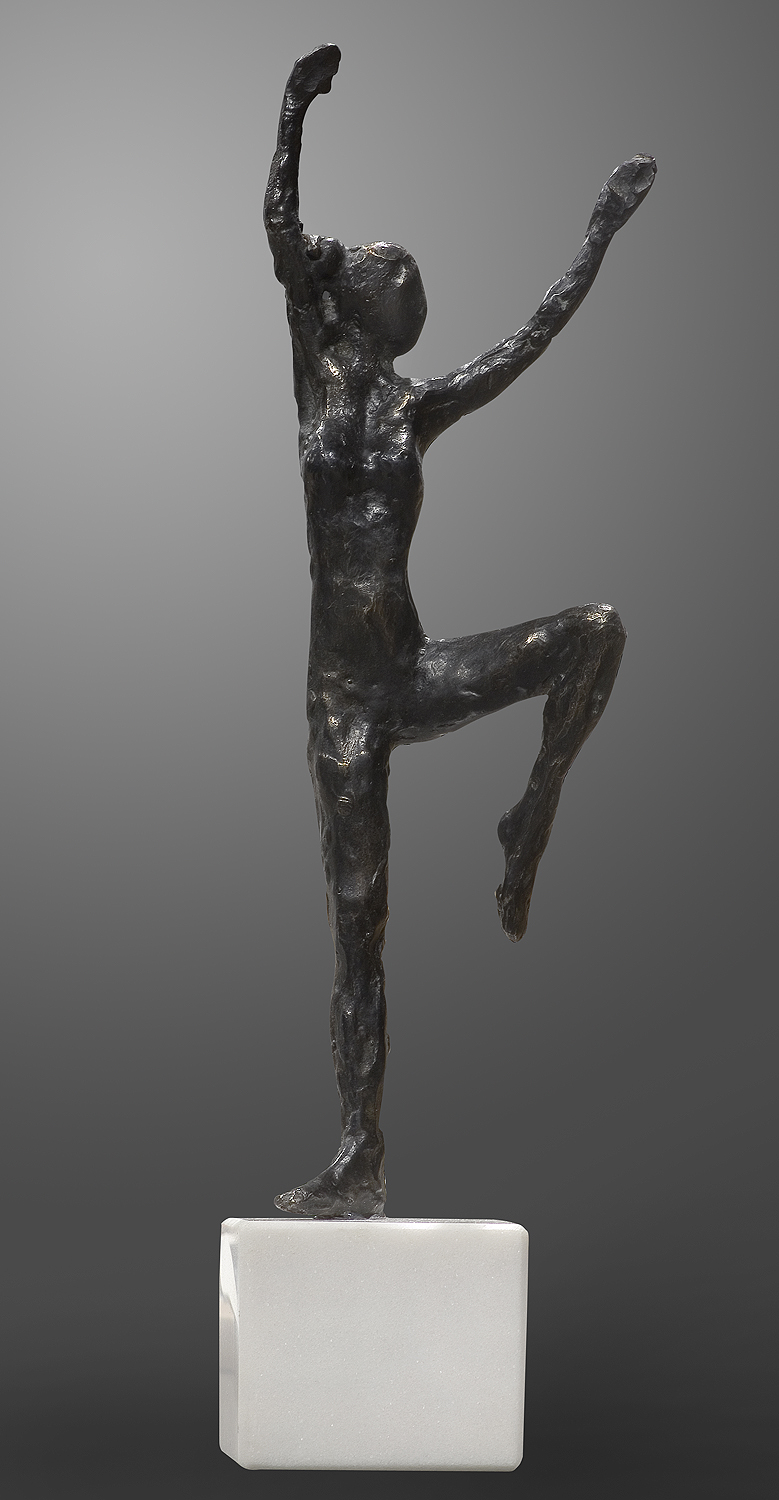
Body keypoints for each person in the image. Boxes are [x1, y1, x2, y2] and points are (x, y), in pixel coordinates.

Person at [264, 44, 655, 1217]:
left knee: (594, 631)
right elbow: (279, 232)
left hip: (410, 670)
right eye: (396, 272)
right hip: (343, 699)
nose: (411, 284)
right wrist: (293, 109)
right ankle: (358, 1154)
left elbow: (527, 339)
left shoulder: (415, 405)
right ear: (353, 299)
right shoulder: (315, 373)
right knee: (358, 923)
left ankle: (527, 812)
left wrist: (597, 233)